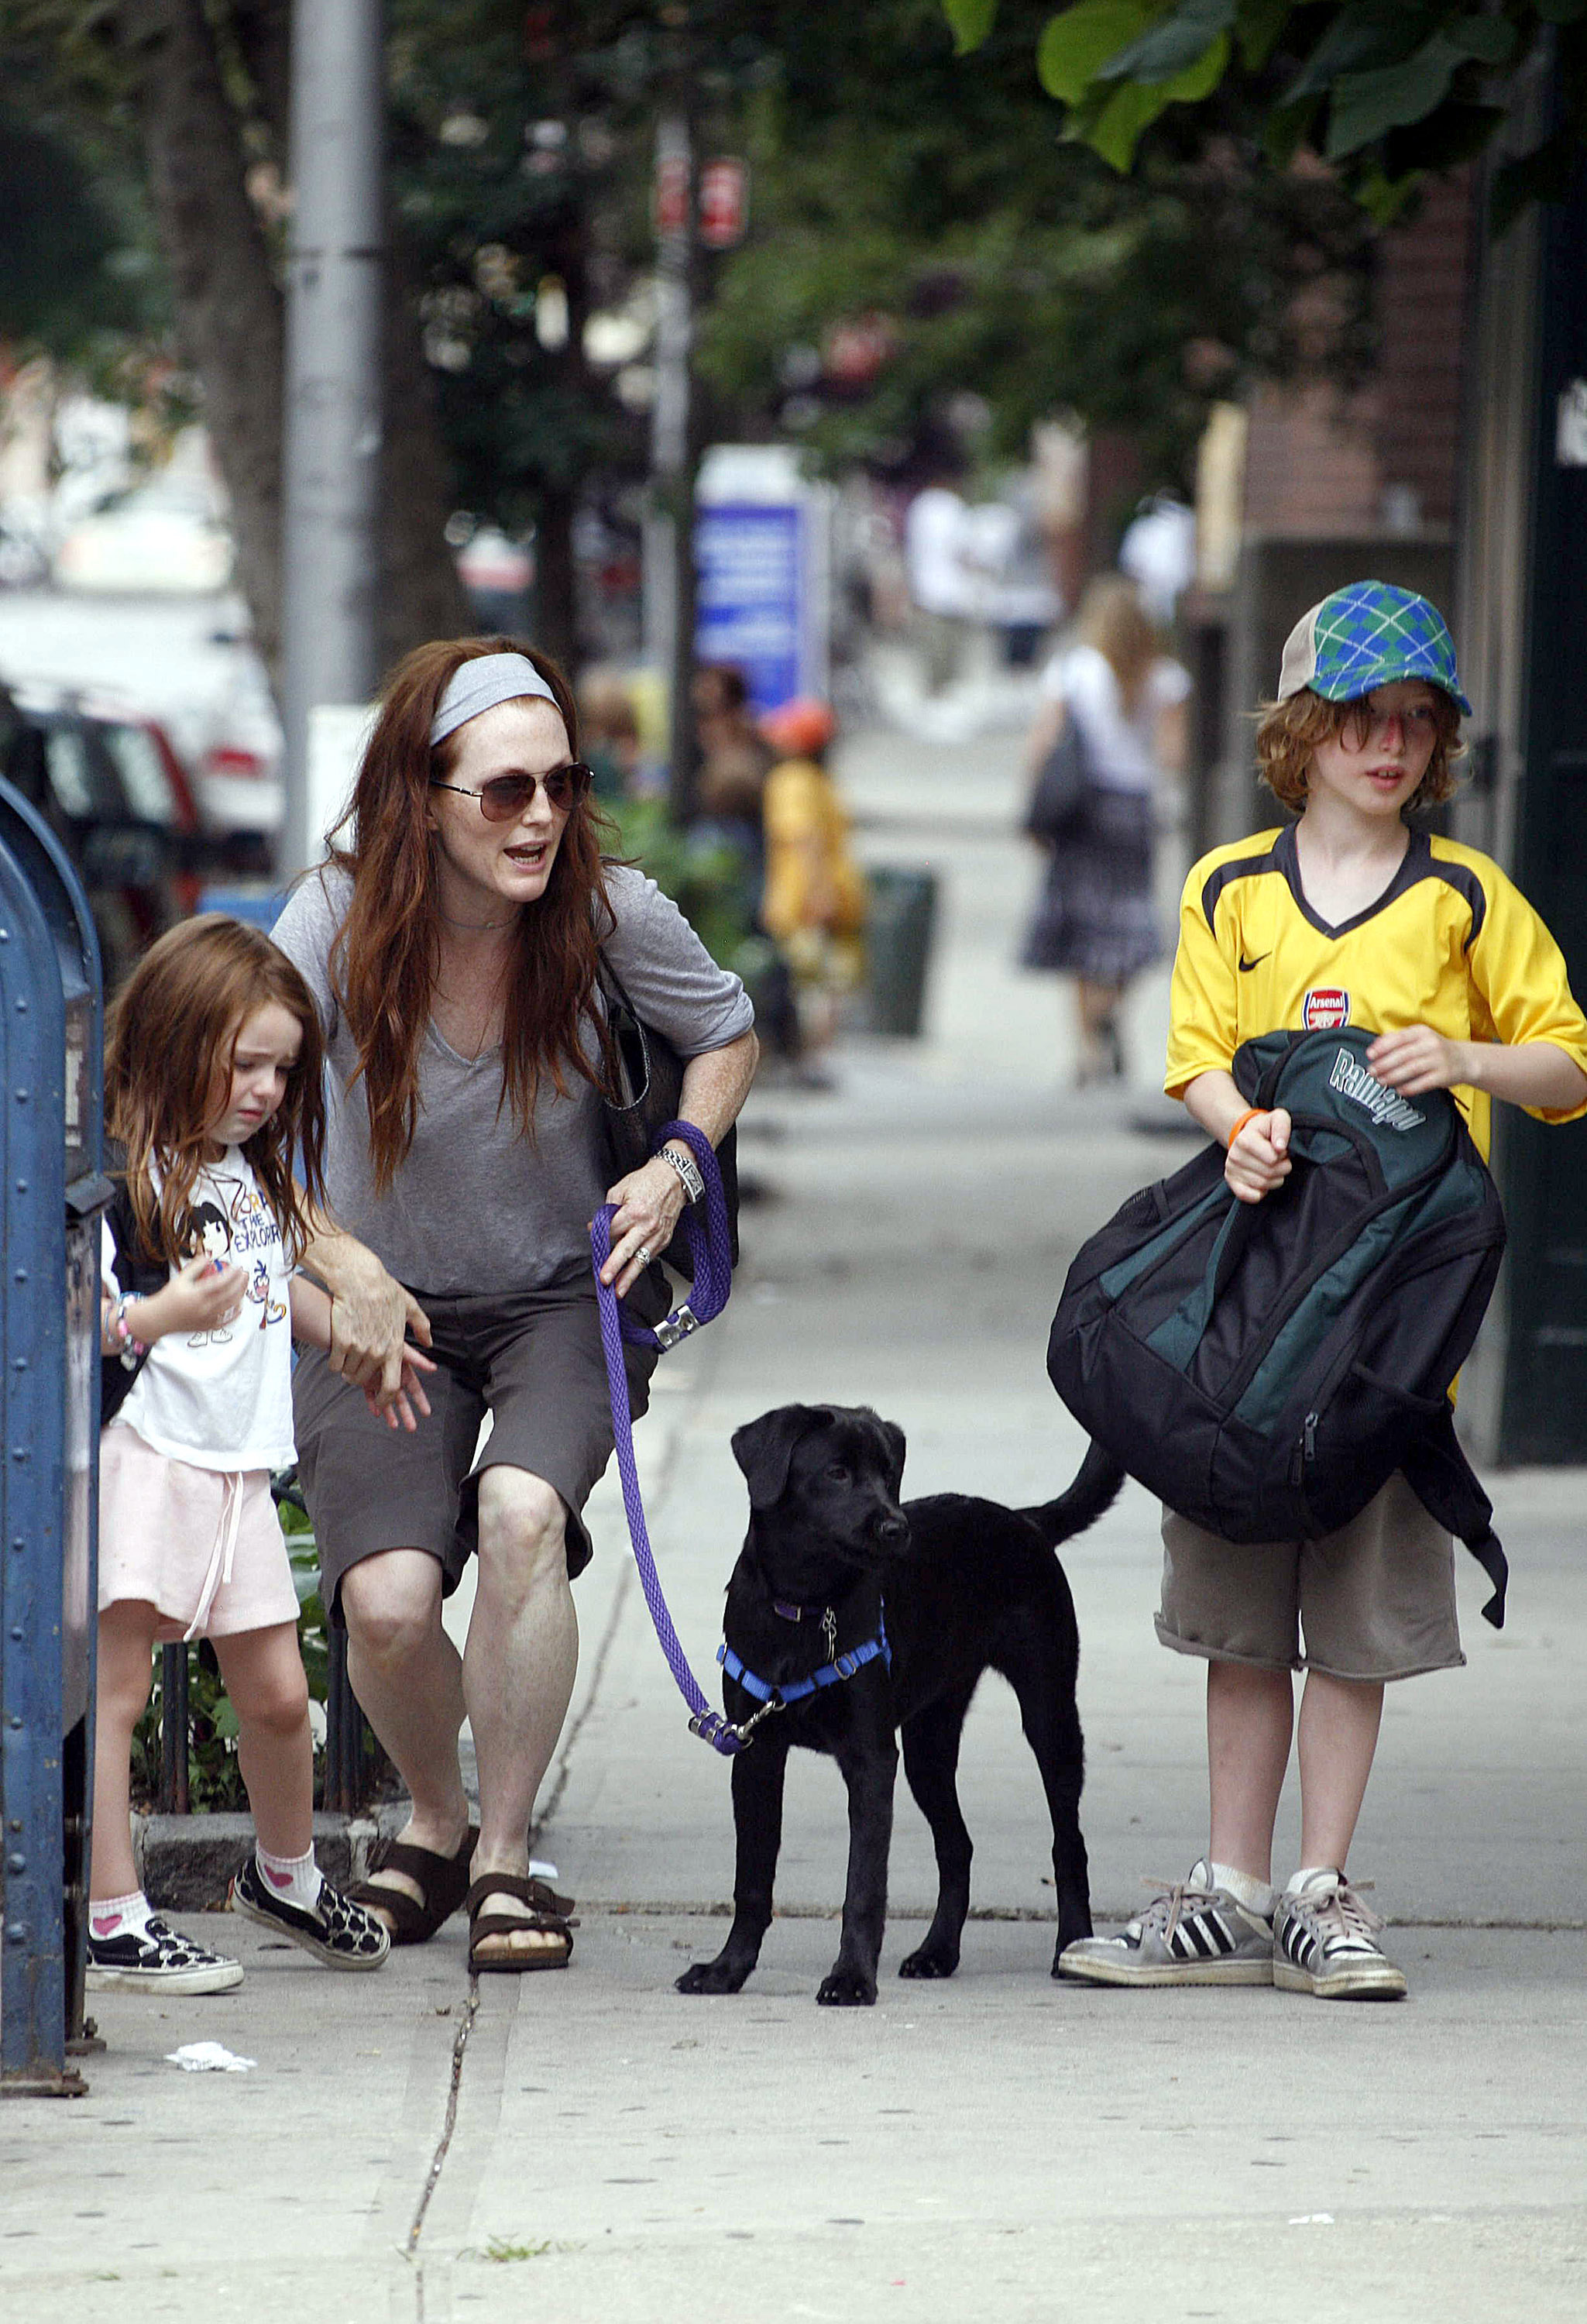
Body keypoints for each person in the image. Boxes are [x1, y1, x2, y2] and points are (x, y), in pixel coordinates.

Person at [1058, 579, 1587, 2001]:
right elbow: (1188, 1052)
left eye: (1415, 721)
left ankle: (1317, 1891)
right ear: (1298, 732)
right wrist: (1236, 1128)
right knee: (1238, 1620)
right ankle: (1227, 1889)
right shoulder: (1227, 888)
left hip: (1386, 1346)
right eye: (1359, 717)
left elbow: (1565, 1067)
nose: (1389, 744)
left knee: (1348, 1629)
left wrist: (1466, 1060)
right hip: (1242, 1330)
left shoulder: (1464, 899)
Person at [271, 638, 758, 1973]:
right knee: (383, 1600)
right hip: (382, 1307)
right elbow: (225, 1110)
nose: (539, 814)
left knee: (520, 1514)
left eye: (561, 783)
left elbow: (725, 1031)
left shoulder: (603, 912)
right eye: (502, 790)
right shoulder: (328, 921)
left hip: (560, 1293)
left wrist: (677, 1163)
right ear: (422, 795)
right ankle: (432, 1826)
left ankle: (503, 1859)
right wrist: (335, 1255)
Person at [88, 916, 401, 1993]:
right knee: (117, 1693)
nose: (266, 1089)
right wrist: (162, 1311)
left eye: (282, 1068)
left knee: (276, 1697)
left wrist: (353, 1343)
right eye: (246, 1063)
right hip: (147, 1460)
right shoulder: (123, 1182)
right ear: (179, 1041)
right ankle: (111, 1914)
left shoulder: (246, 1176)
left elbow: (274, 1296)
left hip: (237, 1472)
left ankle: (284, 1876)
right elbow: (82, 1326)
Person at [1021, 573, 1189, 1085]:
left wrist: (1032, 811)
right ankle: (1110, 1007)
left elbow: (1043, 744)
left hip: (1082, 811)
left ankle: (1087, 1046)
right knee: (1129, 921)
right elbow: (1172, 755)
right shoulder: (1164, 678)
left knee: (1080, 931)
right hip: (1134, 809)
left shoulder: (1071, 672)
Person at [758, 697, 868, 1066]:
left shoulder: (791, 782)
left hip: (803, 898)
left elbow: (806, 840)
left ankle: (811, 1057)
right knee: (825, 980)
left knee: (808, 980)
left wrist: (816, 895)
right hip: (829, 893)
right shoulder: (820, 781)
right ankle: (813, 1057)